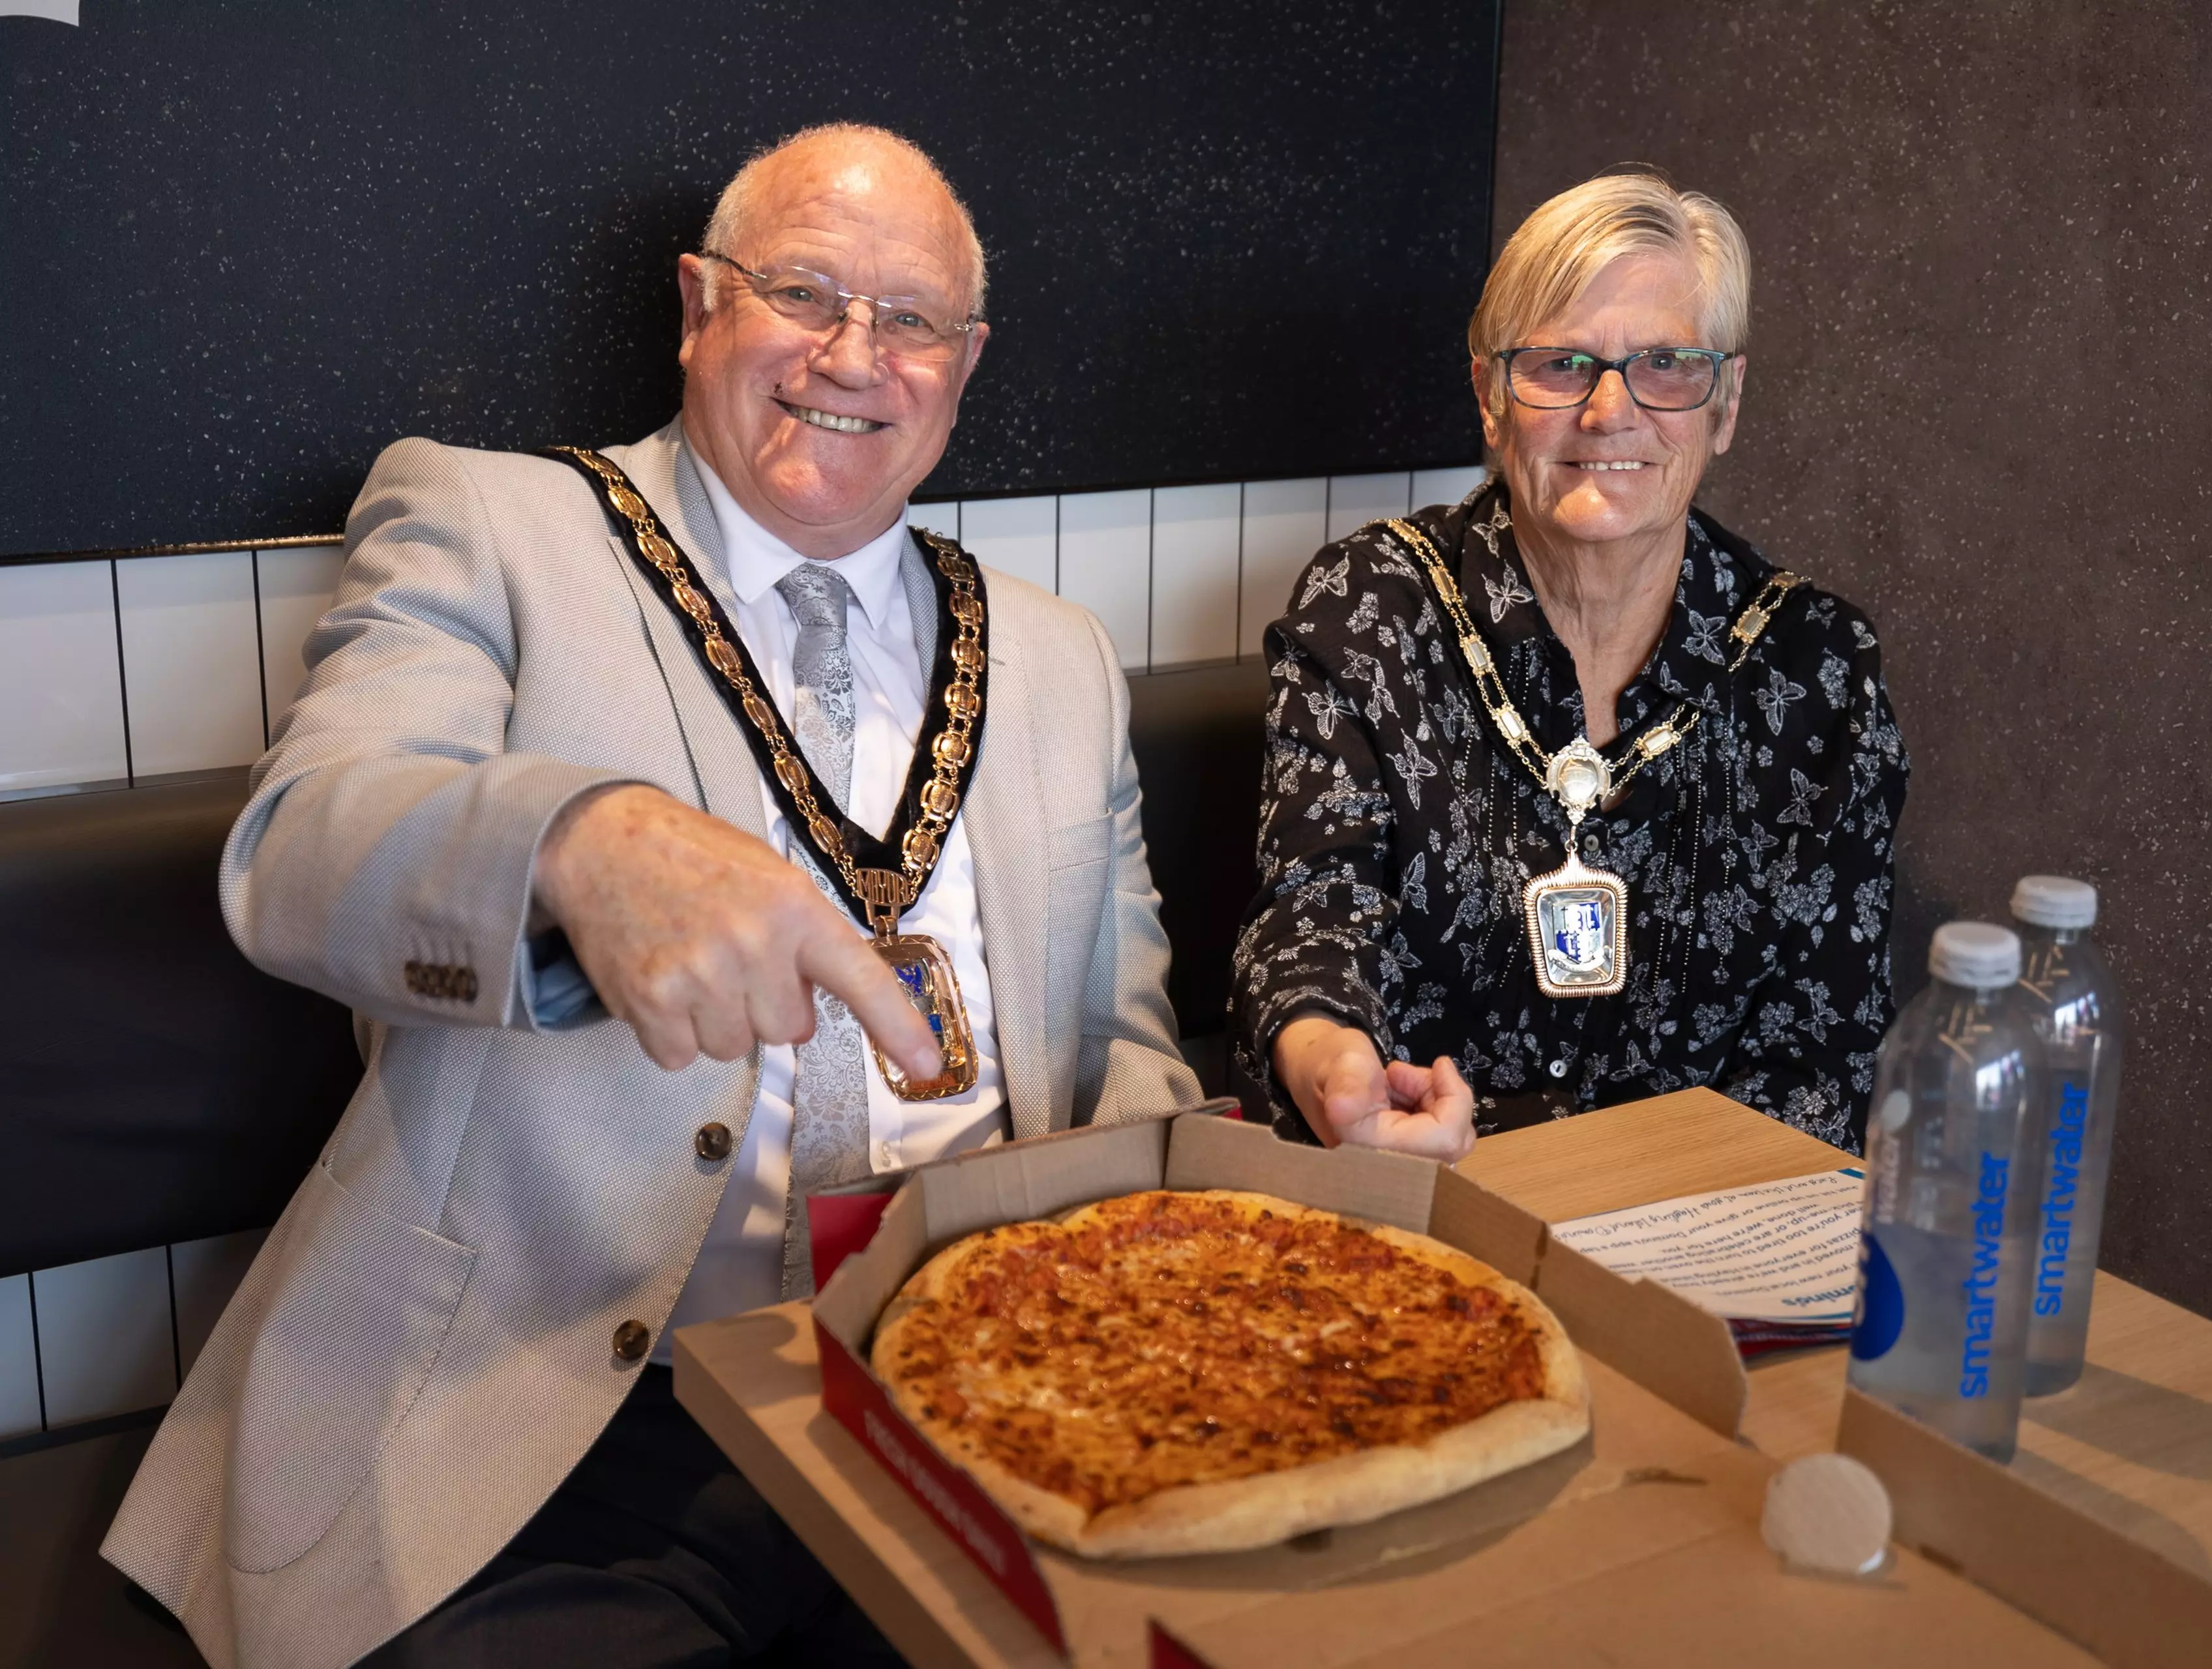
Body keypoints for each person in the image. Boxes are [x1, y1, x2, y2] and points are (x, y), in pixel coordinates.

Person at [104, 124, 1200, 1669]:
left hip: (965, 1390)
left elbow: (1122, 1034)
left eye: (911, 322)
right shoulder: (492, 524)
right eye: (803, 290)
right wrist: (581, 837)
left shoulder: (1060, 654)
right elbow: (299, 848)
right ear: (698, 307)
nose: (853, 354)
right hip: (562, 1414)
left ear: (965, 363)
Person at [1231, 169, 1908, 1166]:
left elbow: (1824, 1048)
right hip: (1432, 1195)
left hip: (1706, 1238)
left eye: (1667, 366)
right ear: (1490, 396)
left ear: (1723, 403)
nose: (1610, 412)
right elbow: (1313, 921)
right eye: (1559, 365)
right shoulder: (1372, 605)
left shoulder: (1818, 669)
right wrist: (1336, 1068)